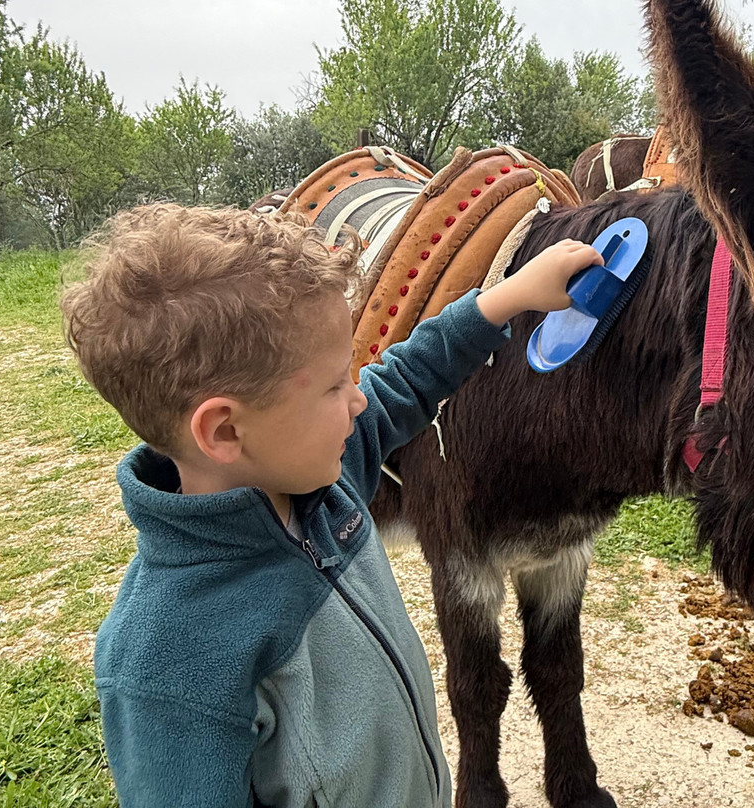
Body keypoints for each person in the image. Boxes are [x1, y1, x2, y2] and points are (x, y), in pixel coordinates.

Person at [60, 203, 603, 808]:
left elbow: (405, 380)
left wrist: (507, 298)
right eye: (333, 385)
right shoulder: (165, 665)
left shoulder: (321, 475)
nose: (359, 402)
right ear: (224, 432)